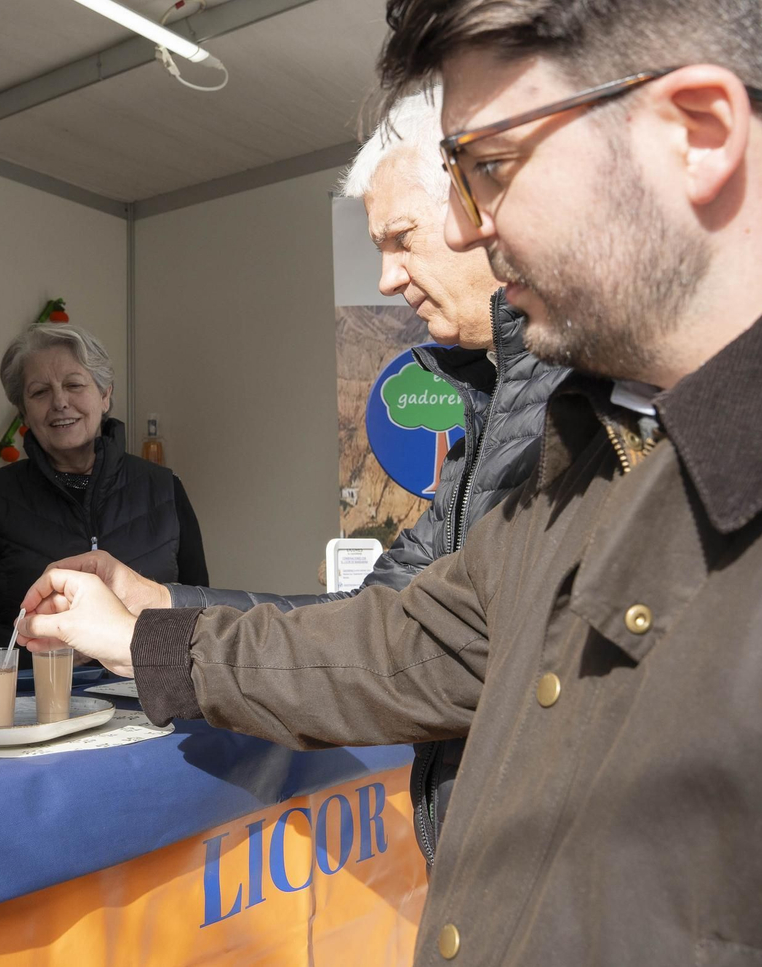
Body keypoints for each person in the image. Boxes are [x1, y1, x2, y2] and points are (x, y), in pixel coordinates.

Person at [18, 0, 762, 963]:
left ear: (696, 132)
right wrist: (148, 638)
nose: (460, 228)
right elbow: (406, 639)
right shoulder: (601, 441)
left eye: (487, 163)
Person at [62, 87, 567, 868]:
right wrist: (165, 603)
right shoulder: (493, 403)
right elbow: (374, 611)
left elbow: (441, 654)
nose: (389, 278)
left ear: (487, 212)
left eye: (402, 239)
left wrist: (147, 643)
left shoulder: (569, 407)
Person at [0, 322, 207, 678]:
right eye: (40, 392)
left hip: (154, 711)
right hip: (31, 715)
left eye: (74, 385)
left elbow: (204, 623)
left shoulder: (163, 487)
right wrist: (47, 651)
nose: (60, 402)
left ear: (105, 395)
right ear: (23, 412)